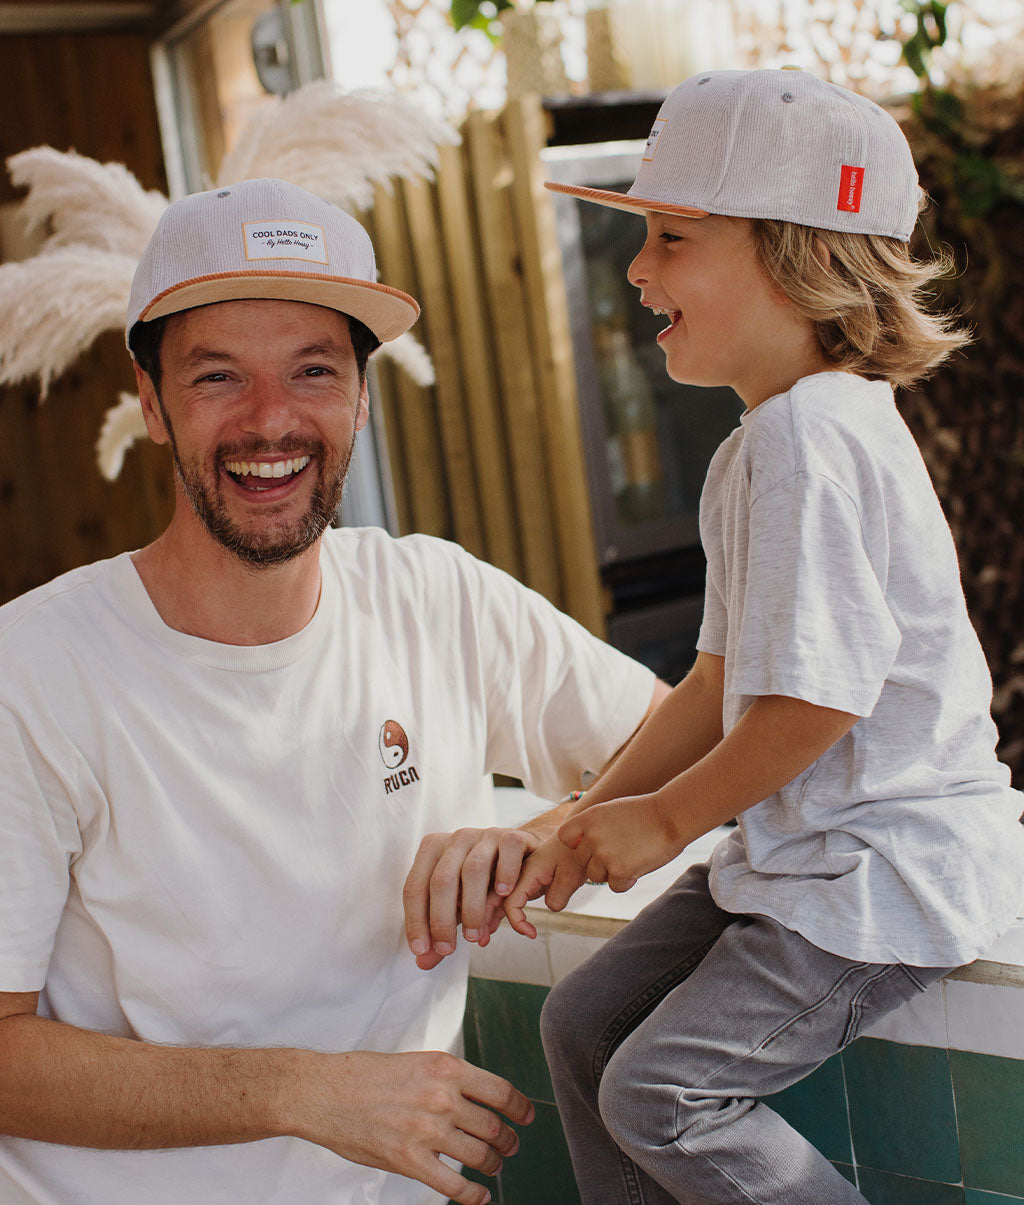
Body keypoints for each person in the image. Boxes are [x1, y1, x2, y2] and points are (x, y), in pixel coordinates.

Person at [0, 177, 668, 1205]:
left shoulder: (437, 598)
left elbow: (702, 746)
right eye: (218, 376)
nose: (271, 421)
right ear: (150, 399)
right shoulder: (34, 669)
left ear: (361, 391)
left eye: (313, 369)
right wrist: (301, 1089)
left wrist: (553, 835)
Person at [483, 68, 1024, 1204]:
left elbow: (816, 705)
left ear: (797, 257)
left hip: (884, 870)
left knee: (661, 1095)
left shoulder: (807, 444)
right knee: (584, 1022)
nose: (636, 269)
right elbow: (719, 678)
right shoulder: (771, 439)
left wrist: (669, 819)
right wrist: (586, 819)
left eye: (671, 237)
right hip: (810, 862)